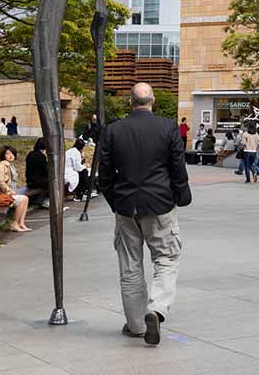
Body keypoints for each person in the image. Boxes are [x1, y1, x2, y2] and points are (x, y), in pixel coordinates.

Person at [96, 82, 192, 345]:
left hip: (126, 206)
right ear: (152, 101)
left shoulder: (113, 130)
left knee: (130, 265)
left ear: (130, 102)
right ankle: (157, 309)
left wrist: (114, 200)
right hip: (160, 204)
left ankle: (137, 325)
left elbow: (104, 172)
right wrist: (181, 196)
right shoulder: (167, 127)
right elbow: (177, 167)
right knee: (166, 259)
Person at [0, 146, 31, 232]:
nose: (10, 155)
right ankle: (14, 224)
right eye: (7, 154)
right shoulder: (2, 165)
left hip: (7, 194)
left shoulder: (11, 165)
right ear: (3, 155)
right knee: (23, 199)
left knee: (25, 198)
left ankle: (21, 223)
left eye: (12, 153)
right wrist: (9, 191)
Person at [24, 137, 50, 208]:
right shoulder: (41, 156)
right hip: (37, 182)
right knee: (53, 182)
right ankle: (46, 201)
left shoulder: (30, 154)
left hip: (30, 180)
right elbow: (45, 171)